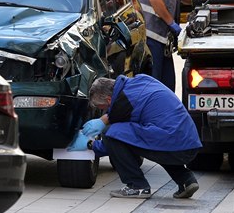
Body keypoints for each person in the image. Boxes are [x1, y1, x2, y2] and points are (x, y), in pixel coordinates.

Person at [67, 74, 202, 199]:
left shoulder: (124, 103)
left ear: (109, 99)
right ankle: (186, 181)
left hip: (175, 143)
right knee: (152, 141)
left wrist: (89, 145)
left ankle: (137, 186)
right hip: (188, 142)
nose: (102, 110)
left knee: (112, 133)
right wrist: (104, 120)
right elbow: (125, 112)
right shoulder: (138, 82)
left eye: (101, 107)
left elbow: (112, 144)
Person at [138, 0, 192, 92]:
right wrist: (172, 24)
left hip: (161, 41)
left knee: (167, 86)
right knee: (156, 87)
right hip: (152, 38)